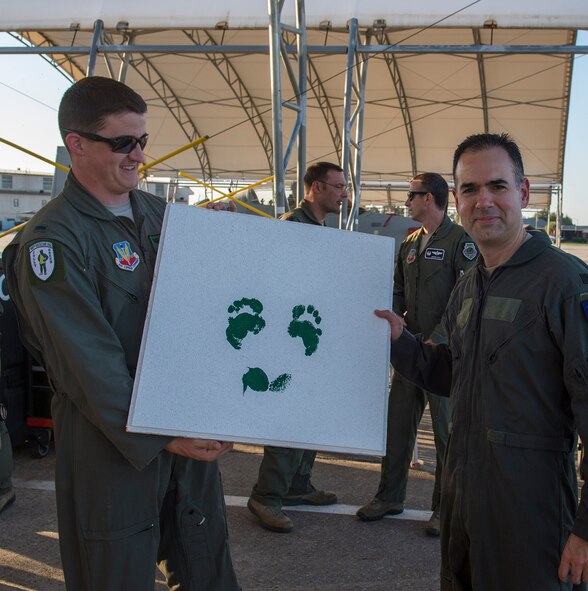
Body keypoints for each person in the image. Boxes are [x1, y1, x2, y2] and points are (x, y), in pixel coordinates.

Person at [374, 133, 588, 590]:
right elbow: (454, 371)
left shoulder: (563, 282)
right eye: (470, 190)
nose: (484, 202)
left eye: (497, 186)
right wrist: (402, 344)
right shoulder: (470, 285)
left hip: (531, 513)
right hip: (464, 504)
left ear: (524, 192)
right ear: (456, 198)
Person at [2, 76, 240, 590]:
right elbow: (87, 362)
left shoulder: (157, 214)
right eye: (122, 143)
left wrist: (224, 240)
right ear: (77, 145)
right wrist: (165, 434)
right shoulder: (53, 242)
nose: (138, 156)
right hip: (111, 444)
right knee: (116, 574)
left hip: (182, 428)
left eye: (143, 141)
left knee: (206, 564)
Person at [356, 172, 476, 536]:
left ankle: (444, 509)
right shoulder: (409, 243)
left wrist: (439, 337)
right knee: (398, 426)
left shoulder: (460, 242)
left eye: (412, 195)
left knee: (446, 435)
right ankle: (390, 495)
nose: (406, 202)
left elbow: (467, 294)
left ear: (429, 198)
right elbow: (396, 288)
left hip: (443, 355)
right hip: (410, 351)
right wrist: (396, 324)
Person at [247, 161, 344, 533]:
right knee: (290, 416)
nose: (343, 193)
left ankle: (298, 485)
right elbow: (276, 282)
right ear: (317, 188)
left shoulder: (318, 227)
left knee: (310, 414)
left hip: (308, 337)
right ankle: (266, 495)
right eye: (337, 186)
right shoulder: (292, 226)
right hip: (289, 338)